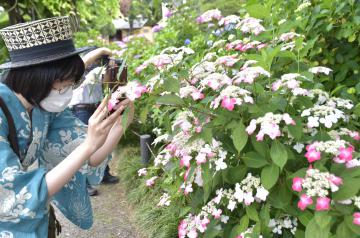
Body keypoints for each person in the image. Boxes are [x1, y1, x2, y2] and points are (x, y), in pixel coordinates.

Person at [0, 16, 134, 237]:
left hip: (36, 224)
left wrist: (120, 123)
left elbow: (91, 156)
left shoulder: (44, 108)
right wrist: (88, 145)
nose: (68, 92)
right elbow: (16, 194)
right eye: (65, 84)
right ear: (38, 77)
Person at [70, 47, 120, 196]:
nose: (103, 61)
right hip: (81, 110)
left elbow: (110, 82)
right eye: (101, 58)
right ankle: (85, 183)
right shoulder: (86, 72)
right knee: (85, 144)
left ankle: (104, 174)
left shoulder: (98, 69)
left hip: (95, 107)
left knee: (101, 142)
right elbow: (106, 78)